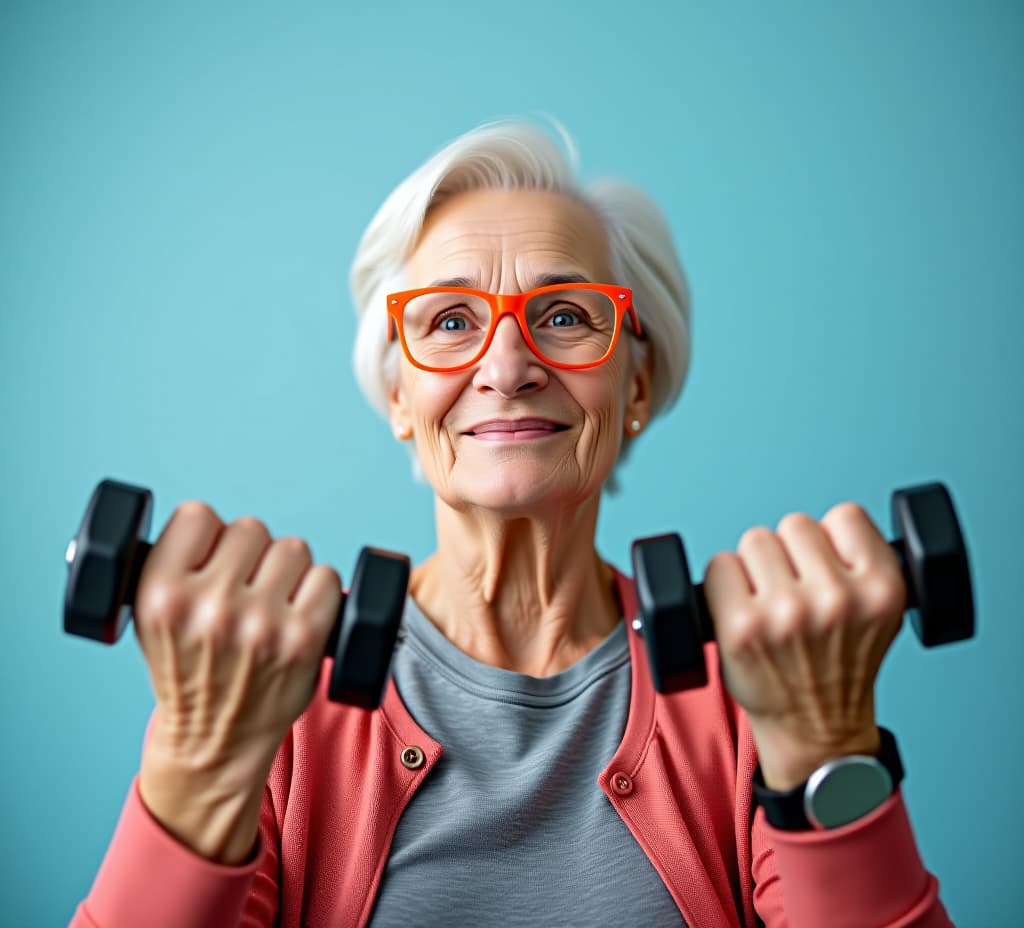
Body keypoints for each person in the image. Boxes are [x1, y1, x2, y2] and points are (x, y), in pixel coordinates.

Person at [71, 120, 953, 927]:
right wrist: (200, 760)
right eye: (451, 321)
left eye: (564, 316)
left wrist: (827, 748)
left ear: (636, 385)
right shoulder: (264, 687)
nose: (507, 366)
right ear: (399, 397)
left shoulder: (760, 687)